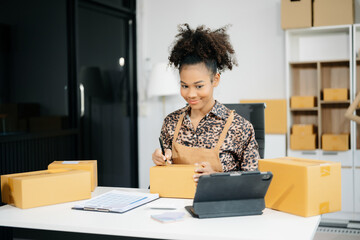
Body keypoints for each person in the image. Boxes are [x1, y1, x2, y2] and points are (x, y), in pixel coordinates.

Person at [152, 24, 259, 183]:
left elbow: (252, 183)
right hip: (175, 204)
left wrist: (217, 178)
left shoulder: (240, 128)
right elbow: (165, 178)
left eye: (199, 86)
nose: (191, 94)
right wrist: (160, 160)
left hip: (220, 205)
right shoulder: (171, 122)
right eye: (184, 86)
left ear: (215, 80)